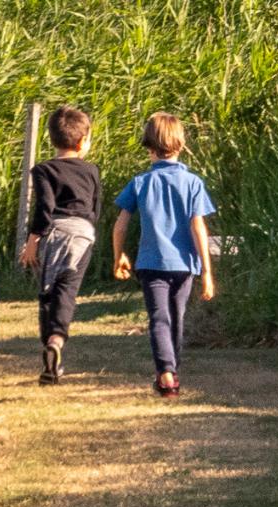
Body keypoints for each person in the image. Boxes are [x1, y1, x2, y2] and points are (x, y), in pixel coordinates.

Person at [112, 113, 215, 397]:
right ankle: (172, 370)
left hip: (150, 263)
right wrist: (206, 272)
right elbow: (198, 227)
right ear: (180, 145)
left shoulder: (141, 182)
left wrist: (119, 255)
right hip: (185, 265)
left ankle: (166, 373)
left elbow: (121, 223)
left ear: (149, 147)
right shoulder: (193, 183)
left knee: (159, 317)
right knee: (177, 316)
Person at [18, 105, 101, 384]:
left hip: (53, 233)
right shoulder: (91, 170)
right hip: (82, 236)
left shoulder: (42, 170)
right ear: (82, 142)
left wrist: (32, 241)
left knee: (47, 291)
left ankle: (48, 351)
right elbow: (95, 207)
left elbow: (44, 207)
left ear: (52, 139)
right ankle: (57, 338)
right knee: (67, 289)